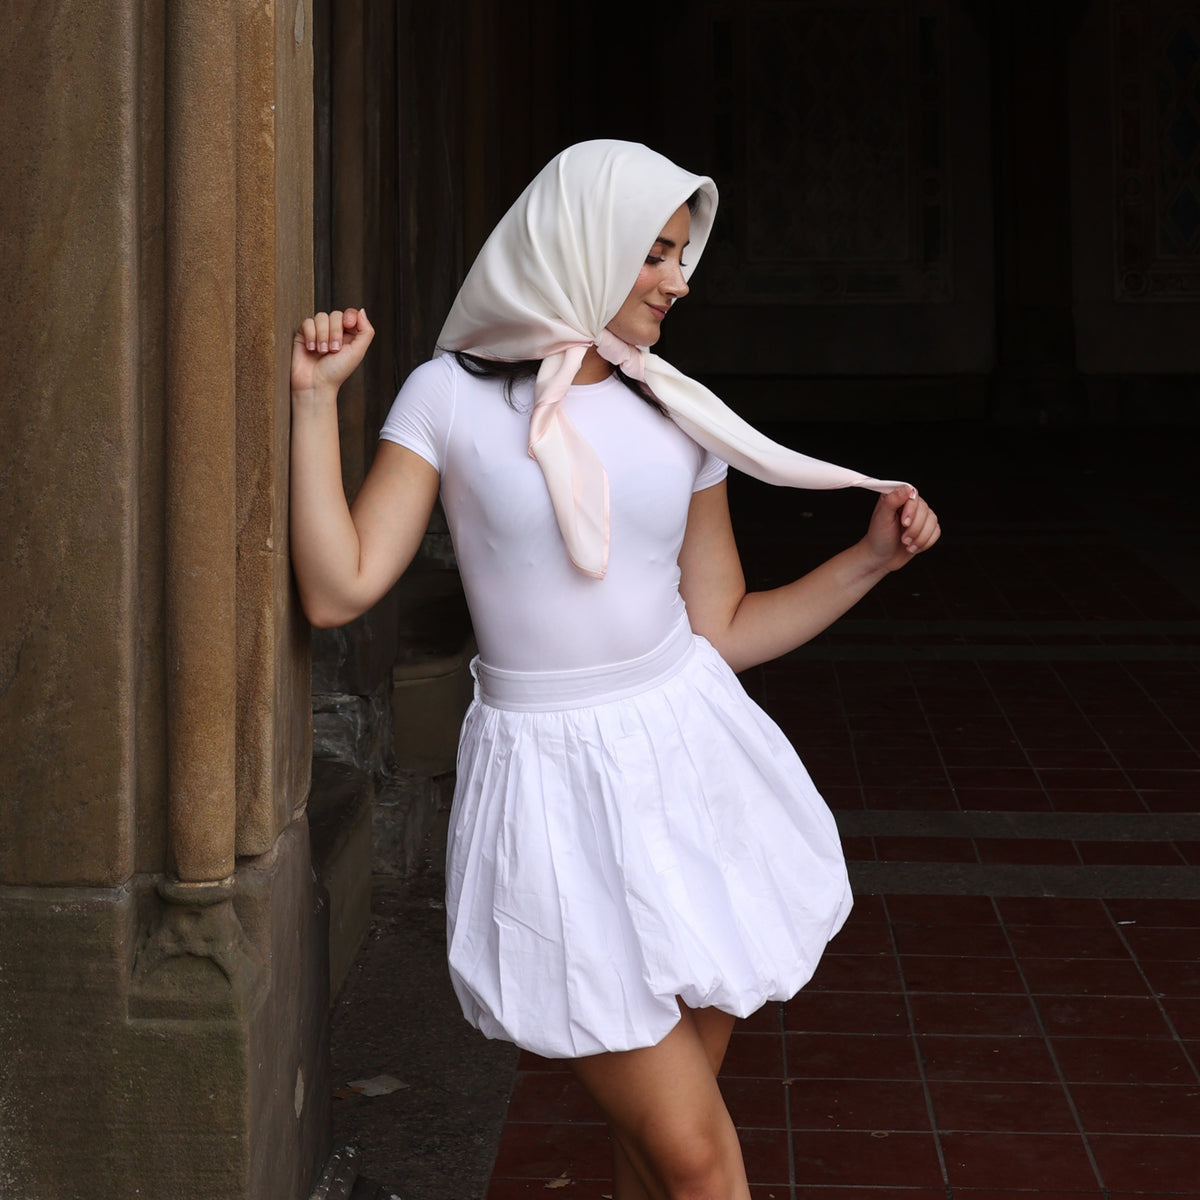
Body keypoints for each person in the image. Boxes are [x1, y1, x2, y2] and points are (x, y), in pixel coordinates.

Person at [290, 140, 939, 1200]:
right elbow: (337, 587)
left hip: (691, 768)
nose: (678, 281)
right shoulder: (448, 397)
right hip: (548, 786)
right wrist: (314, 401)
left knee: (656, 1154)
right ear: (579, 239)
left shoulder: (678, 412)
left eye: (682, 255)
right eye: (654, 253)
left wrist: (869, 559)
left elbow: (720, 627)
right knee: (699, 1158)